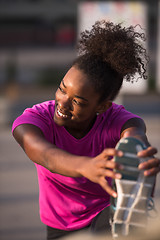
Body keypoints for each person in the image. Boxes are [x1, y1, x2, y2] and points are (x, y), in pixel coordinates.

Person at [12, 21, 160, 239]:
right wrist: (85, 166)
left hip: (107, 212)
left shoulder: (118, 120)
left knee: (118, 224)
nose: (62, 103)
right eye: (62, 89)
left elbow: (133, 134)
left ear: (102, 106)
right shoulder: (36, 118)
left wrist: (139, 156)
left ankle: (131, 216)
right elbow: (44, 154)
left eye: (78, 102)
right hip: (60, 225)